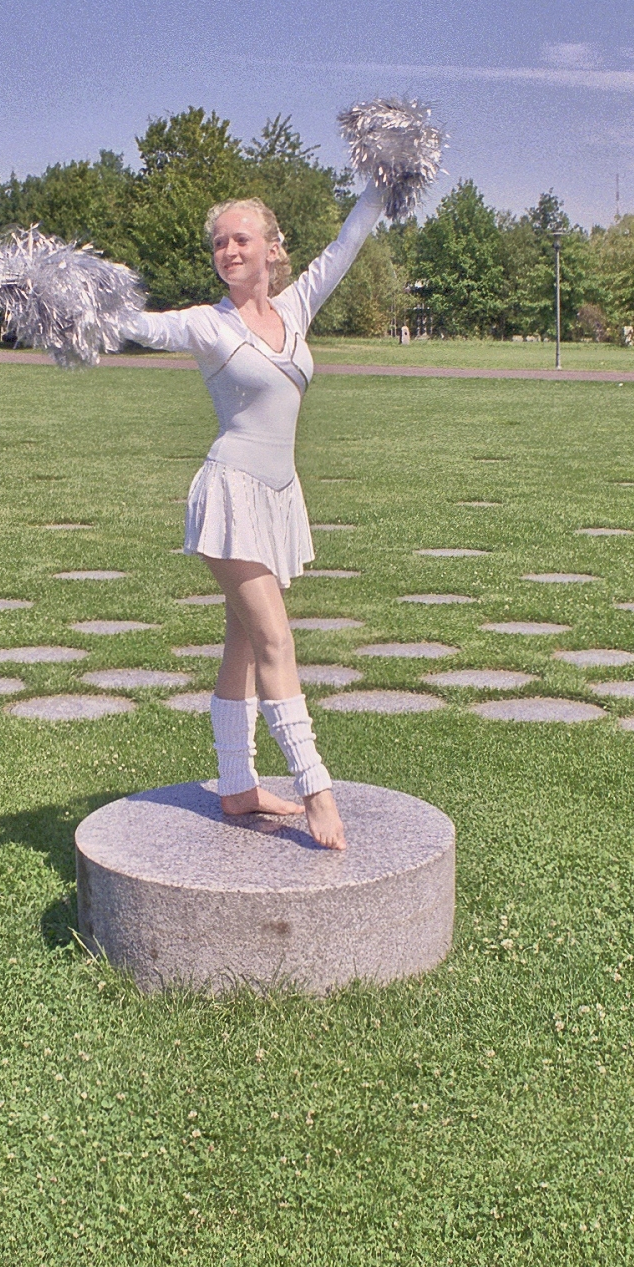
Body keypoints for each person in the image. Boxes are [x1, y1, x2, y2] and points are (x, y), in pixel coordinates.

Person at [123, 188, 386, 850]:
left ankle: (237, 786)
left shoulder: (295, 308)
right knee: (274, 640)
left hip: (278, 495)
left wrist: (384, 179)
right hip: (231, 493)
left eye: (240, 239)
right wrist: (76, 305)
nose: (228, 250)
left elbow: (346, 244)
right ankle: (315, 789)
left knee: (242, 643)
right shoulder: (205, 325)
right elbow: (139, 325)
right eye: (218, 242)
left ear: (272, 248)